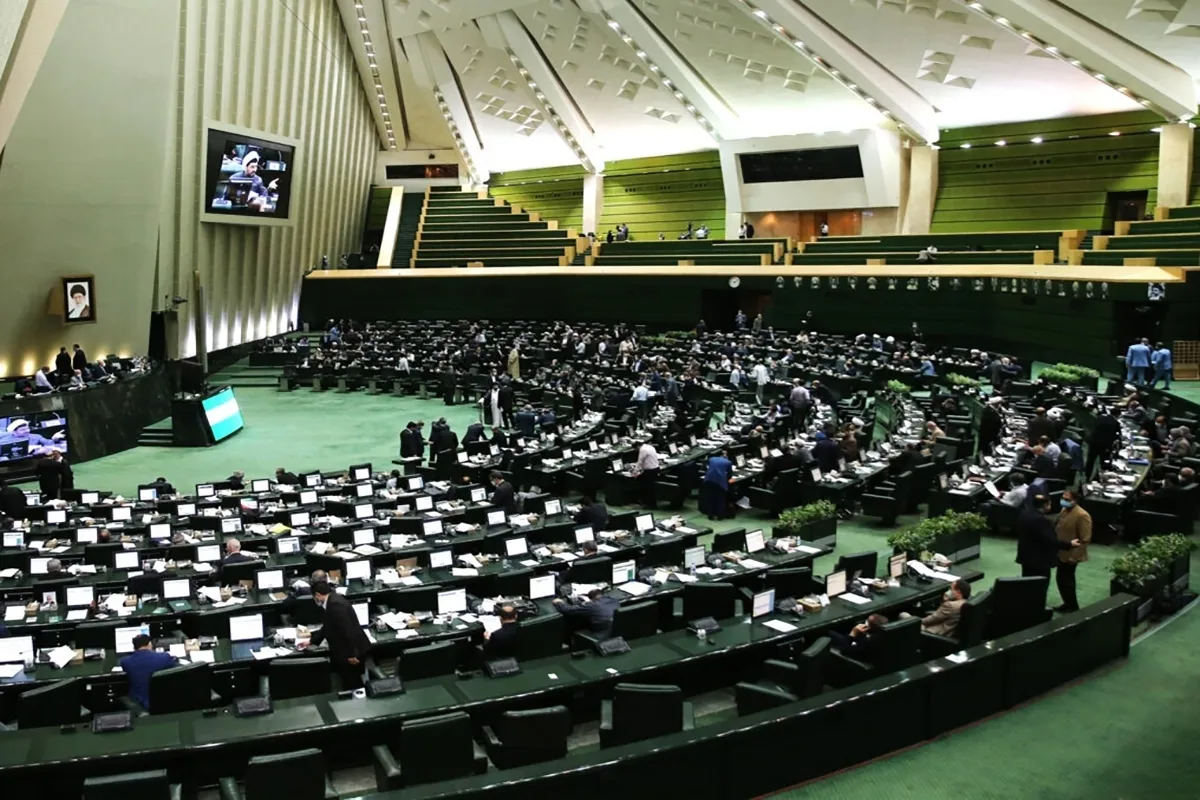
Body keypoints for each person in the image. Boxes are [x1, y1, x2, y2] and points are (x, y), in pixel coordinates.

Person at [308, 581, 372, 689]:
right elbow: (328, 626)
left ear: (317, 595)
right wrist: (312, 641)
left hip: (351, 652)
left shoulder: (335, 606)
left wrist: (352, 654)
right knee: (347, 680)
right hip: (345, 650)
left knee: (353, 683)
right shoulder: (332, 600)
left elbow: (348, 631)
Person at [1054, 490, 1091, 613]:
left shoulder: (1082, 515)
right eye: (1063, 498)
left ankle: (1073, 608)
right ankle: (1067, 603)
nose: (1063, 501)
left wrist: (1074, 557)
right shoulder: (1064, 510)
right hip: (1061, 551)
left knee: (1067, 581)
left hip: (1071, 555)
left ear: (1075, 500)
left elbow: (1085, 539)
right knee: (1061, 580)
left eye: (1067, 499)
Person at [119, 634, 176, 711]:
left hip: (138, 702)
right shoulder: (164, 657)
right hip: (162, 700)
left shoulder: (125, 662)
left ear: (134, 647)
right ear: (149, 644)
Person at [553, 589, 620, 637]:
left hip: (599, 631)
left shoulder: (591, 606)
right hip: (614, 628)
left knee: (572, 620)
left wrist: (558, 602)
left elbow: (565, 610)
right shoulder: (614, 599)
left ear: (591, 598)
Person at [1086, 407, 1120, 478]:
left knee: (1090, 461)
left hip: (1093, 442)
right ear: (1117, 415)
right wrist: (1109, 447)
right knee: (1103, 463)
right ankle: (1100, 478)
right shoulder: (1116, 423)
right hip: (1104, 446)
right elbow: (1114, 437)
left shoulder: (1100, 417)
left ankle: (1087, 476)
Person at [699, 449, 733, 520]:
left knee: (710, 497)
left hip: (709, 480)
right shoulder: (728, 462)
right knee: (720, 498)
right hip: (720, 482)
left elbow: (704, 466)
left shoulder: (712, 459)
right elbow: (730, 474)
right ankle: (720, 516)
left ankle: (710, 515)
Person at [635, 440, 660, 509]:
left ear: (637, 446)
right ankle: (646, 501)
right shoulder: (650, 447)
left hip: (650, 471)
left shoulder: (643, 449)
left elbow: (640, 461)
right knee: (649, 486)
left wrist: (635, 472)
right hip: (656, 469)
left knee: (648, 488)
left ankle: (650, 504)